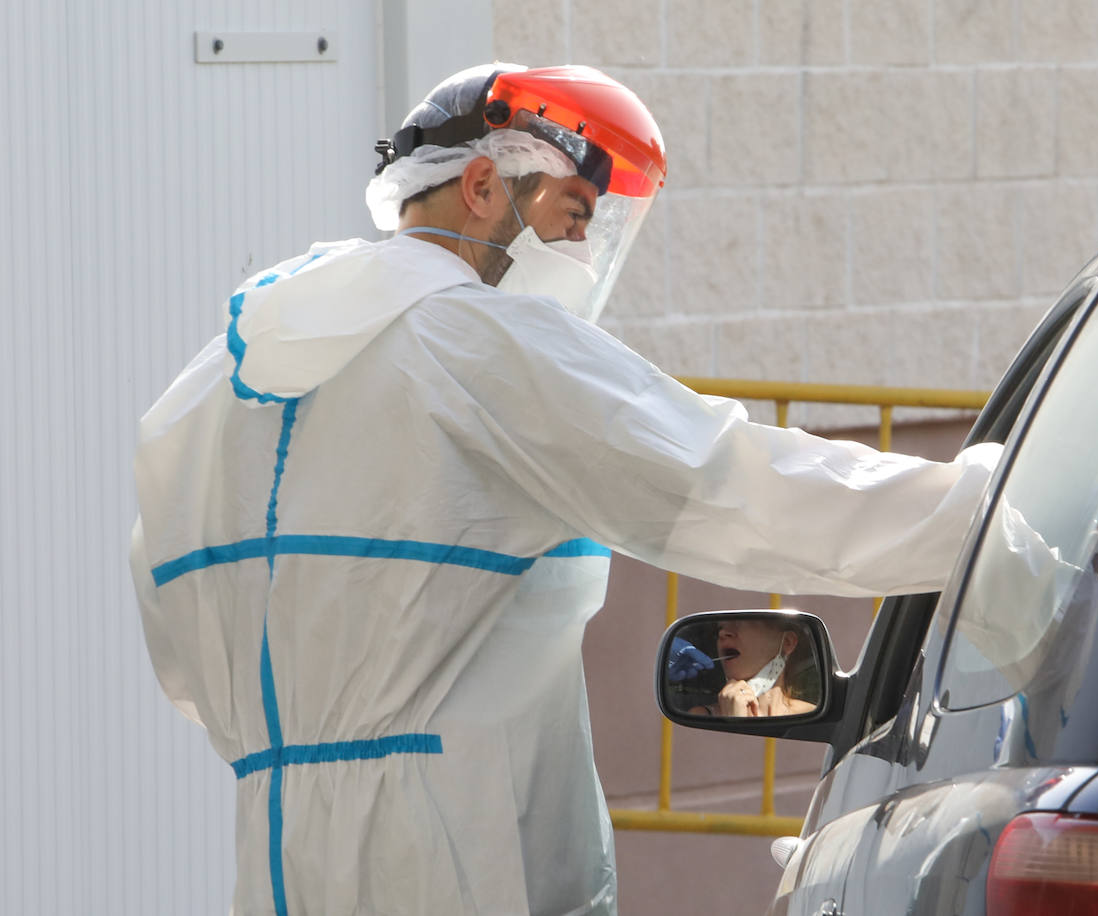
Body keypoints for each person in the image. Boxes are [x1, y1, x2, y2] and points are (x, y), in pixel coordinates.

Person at [130, 62, 1003, 916]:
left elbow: (183, 660)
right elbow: (728, 484)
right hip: (461, 844)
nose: (583, 248)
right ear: (481, 185)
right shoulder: (476, 342)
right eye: (573, 213)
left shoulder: (204, 395)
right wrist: (991, 505)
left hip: (278, 850)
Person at [689, 617, 819, 717]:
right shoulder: (702, 715)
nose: (723, 633)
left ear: (787, 642)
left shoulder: (811, 714)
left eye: (739, 622)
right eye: (720, 628)